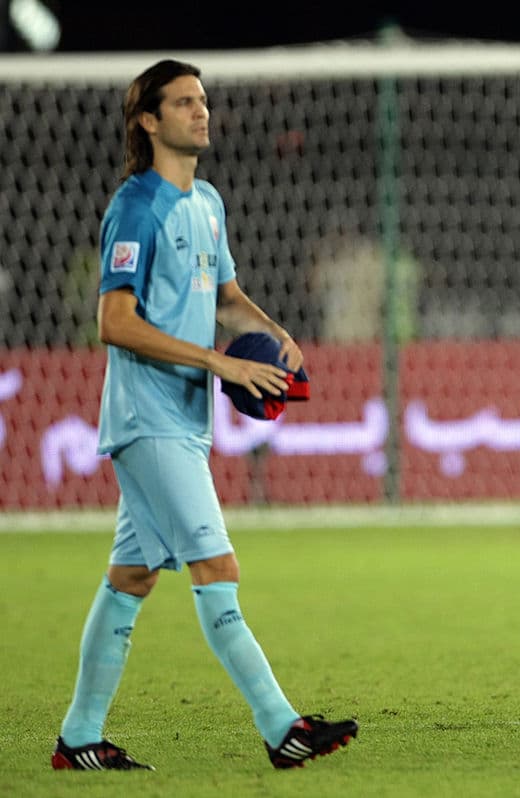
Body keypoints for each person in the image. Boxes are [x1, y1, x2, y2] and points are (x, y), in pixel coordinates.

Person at [51, 59, 358, 771]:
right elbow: (114, 321)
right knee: (216, 565)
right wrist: (219, 362)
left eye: (204, 99)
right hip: (146, 416)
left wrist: (273, 330)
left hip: (182, 418)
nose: (202, 111)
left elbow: (225, 294)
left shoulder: (208, 202)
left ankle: (78, 738)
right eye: (184, 102)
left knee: (131, 577)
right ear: (149, 121)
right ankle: (282, 726)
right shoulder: (135, 206)